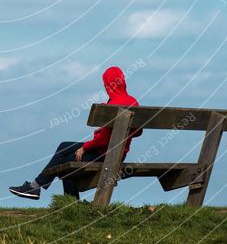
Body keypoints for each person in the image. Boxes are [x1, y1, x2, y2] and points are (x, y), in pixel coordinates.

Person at [9, 66, 142, 200]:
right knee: (63, 146)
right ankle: (36, 187)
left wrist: (85, 147)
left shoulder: (111, 105)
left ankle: (40, 189)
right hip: (119, 153)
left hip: (103, 154)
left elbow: (103, 140)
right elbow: (138, 132)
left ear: (108, 84)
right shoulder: (133, 101)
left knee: (62, 164)